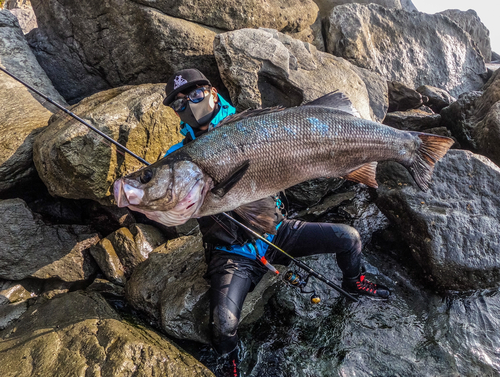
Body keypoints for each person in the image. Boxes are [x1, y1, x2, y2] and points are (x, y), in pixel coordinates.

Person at [162, 69, 390, 377]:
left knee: (349, 237)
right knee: (224, 324)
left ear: (213, 92)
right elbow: (162, 200)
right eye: (178, 104)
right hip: (232, 253)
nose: (188, 104)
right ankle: (229, 363)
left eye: (196, 95)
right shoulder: (176, 159)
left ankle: (355, 282)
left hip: (279, 232)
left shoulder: (251, 127)